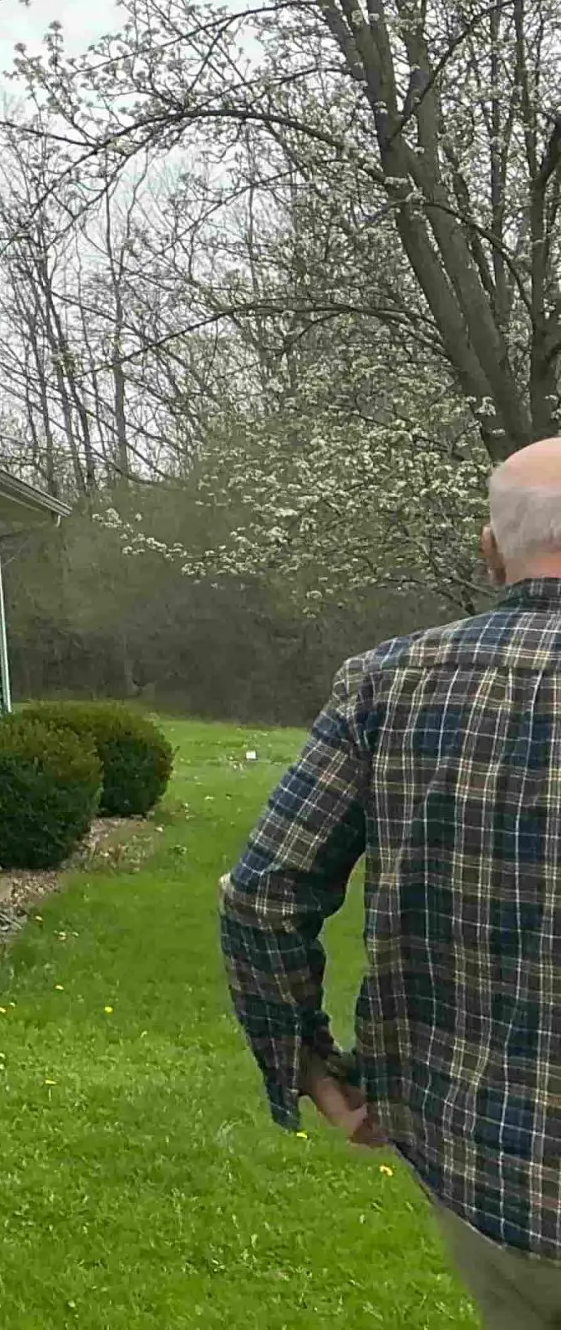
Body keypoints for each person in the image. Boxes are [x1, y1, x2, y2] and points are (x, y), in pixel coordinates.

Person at [223, 438, 561, 1328]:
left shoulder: (390, 682)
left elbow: (263, 893)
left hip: (492, 1172)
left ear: (491, 549)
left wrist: (303, 1057)